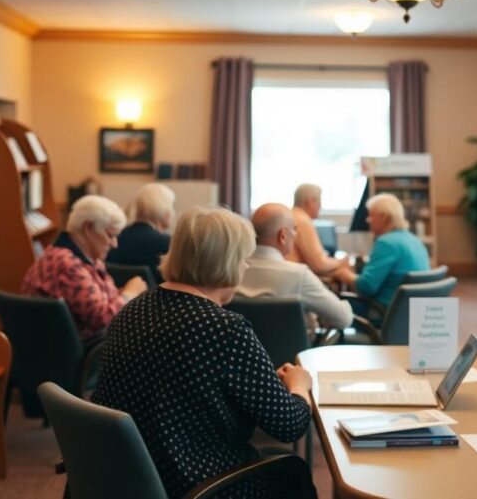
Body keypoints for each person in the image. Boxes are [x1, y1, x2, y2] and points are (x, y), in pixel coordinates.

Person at [91, 207, 313, 498]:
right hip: (195, 481)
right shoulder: (224, 328)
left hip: (128, 475)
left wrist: (261, 382)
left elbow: (176, 387)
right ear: (228, 263)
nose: (245, 268)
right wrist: (299, 385)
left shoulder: (133, 308)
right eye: (244, 259)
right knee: (292, 471)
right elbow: (290, 425)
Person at [21, 195, 147, 340]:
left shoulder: (84, 258)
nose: (114, 244)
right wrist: (130, 294)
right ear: (88, 228)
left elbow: (102, 301)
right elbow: (103, 318)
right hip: (84, 352)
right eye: (111, 235)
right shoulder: (66, 265)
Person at [237, 203, 354, 331]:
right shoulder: (299, 275)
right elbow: (344, 318)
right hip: (293, 351)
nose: (295, 234)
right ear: (283, 236)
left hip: (241, 350)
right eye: (294, 229)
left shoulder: (233, 271)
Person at [344, 193, 430, 307]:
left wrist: (344, 274)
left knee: (337, 305)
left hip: (385, 311)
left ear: (384, 217)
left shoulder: (386, 243)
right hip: (412, 310)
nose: (367, 220)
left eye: (370, 215)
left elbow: (366, 287)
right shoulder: (413, 239)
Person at [106, 182, 175, 284]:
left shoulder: (114, 239)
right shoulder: (168, 243)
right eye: (172, 206)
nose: (173, 212)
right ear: (164, 212)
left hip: (119, 297)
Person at [287, 183, 349, 277]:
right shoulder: (303, 220)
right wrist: (341, 262)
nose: (321, 206)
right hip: (295, 279)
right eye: (319, 201)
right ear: (310, 201)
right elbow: (319, 264)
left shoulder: (290, 215)